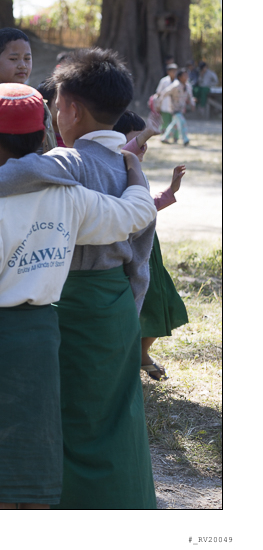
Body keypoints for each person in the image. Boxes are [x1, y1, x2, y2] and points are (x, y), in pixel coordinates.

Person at [0, 48, 158, 509]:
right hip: (117, 303)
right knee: (115, 418)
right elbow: (141, 243)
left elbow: (20, 169)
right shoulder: (128, 168)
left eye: (58, 104)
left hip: (70, 303)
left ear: (72, 110)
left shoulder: (68, 164)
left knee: (61, 420)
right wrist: (132, 302)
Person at [116, 112, 189, 381]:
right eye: (137, 139)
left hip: (149, 249)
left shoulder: (135, 169)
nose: (143, 146)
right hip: (131, 250)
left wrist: (170, 191)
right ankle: (137, 357)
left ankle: (141, 353)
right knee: (139, 306)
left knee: (161, 301)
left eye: (145, 140)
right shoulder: (116, 168)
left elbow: (145, 206)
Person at [0, 28, 56, 153]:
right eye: (14, 59)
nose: (22, 65)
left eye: (27, 58)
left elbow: (49, 145)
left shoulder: (37, 102)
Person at [160, 68, 193, 146]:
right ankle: (185, 139)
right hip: (174, 109)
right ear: (179, 77)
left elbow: (190, 96)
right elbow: (165, 92)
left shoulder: (188, 86)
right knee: (182, 122)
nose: (186, 77)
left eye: (187, 75)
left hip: (181, 109)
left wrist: (192, 104)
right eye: (184, 75)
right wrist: (160, 103)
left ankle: (165, 138)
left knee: (174, 125)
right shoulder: (175, 85)